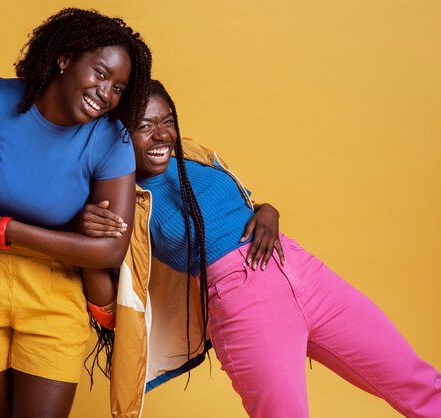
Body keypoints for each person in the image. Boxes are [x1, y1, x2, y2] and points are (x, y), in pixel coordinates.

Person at [79, 80, 441, 417]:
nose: (162, 135)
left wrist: (267, 210)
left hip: (301, 269)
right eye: (145, 126)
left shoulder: (191, 155)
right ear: (121, 132)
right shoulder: (120, 198)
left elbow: (234, 207)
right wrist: (86, 243)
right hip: (241, 300)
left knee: (416, 382)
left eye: (167, 121)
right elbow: (110, 304)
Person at [0, 8, 151, 418]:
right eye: (100, 73)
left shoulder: (111, 139)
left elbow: (111, 251)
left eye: (118, 88)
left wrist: (7, 229)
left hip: (55, 288)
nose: (106, 93)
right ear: (64, 59)